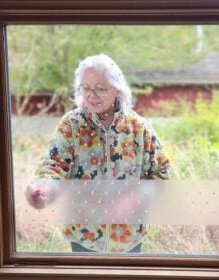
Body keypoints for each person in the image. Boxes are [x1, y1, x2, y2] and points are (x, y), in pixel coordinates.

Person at [26, 53, 170, 253]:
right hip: (84, 236)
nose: (91, 95)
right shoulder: (71, 125)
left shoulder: (138, 128)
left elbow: (162, 173)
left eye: (100, 88)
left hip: (129, 237)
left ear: (117, 90)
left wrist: (135, 199)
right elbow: (54, 166)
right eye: (86, 88)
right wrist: (45, 188)